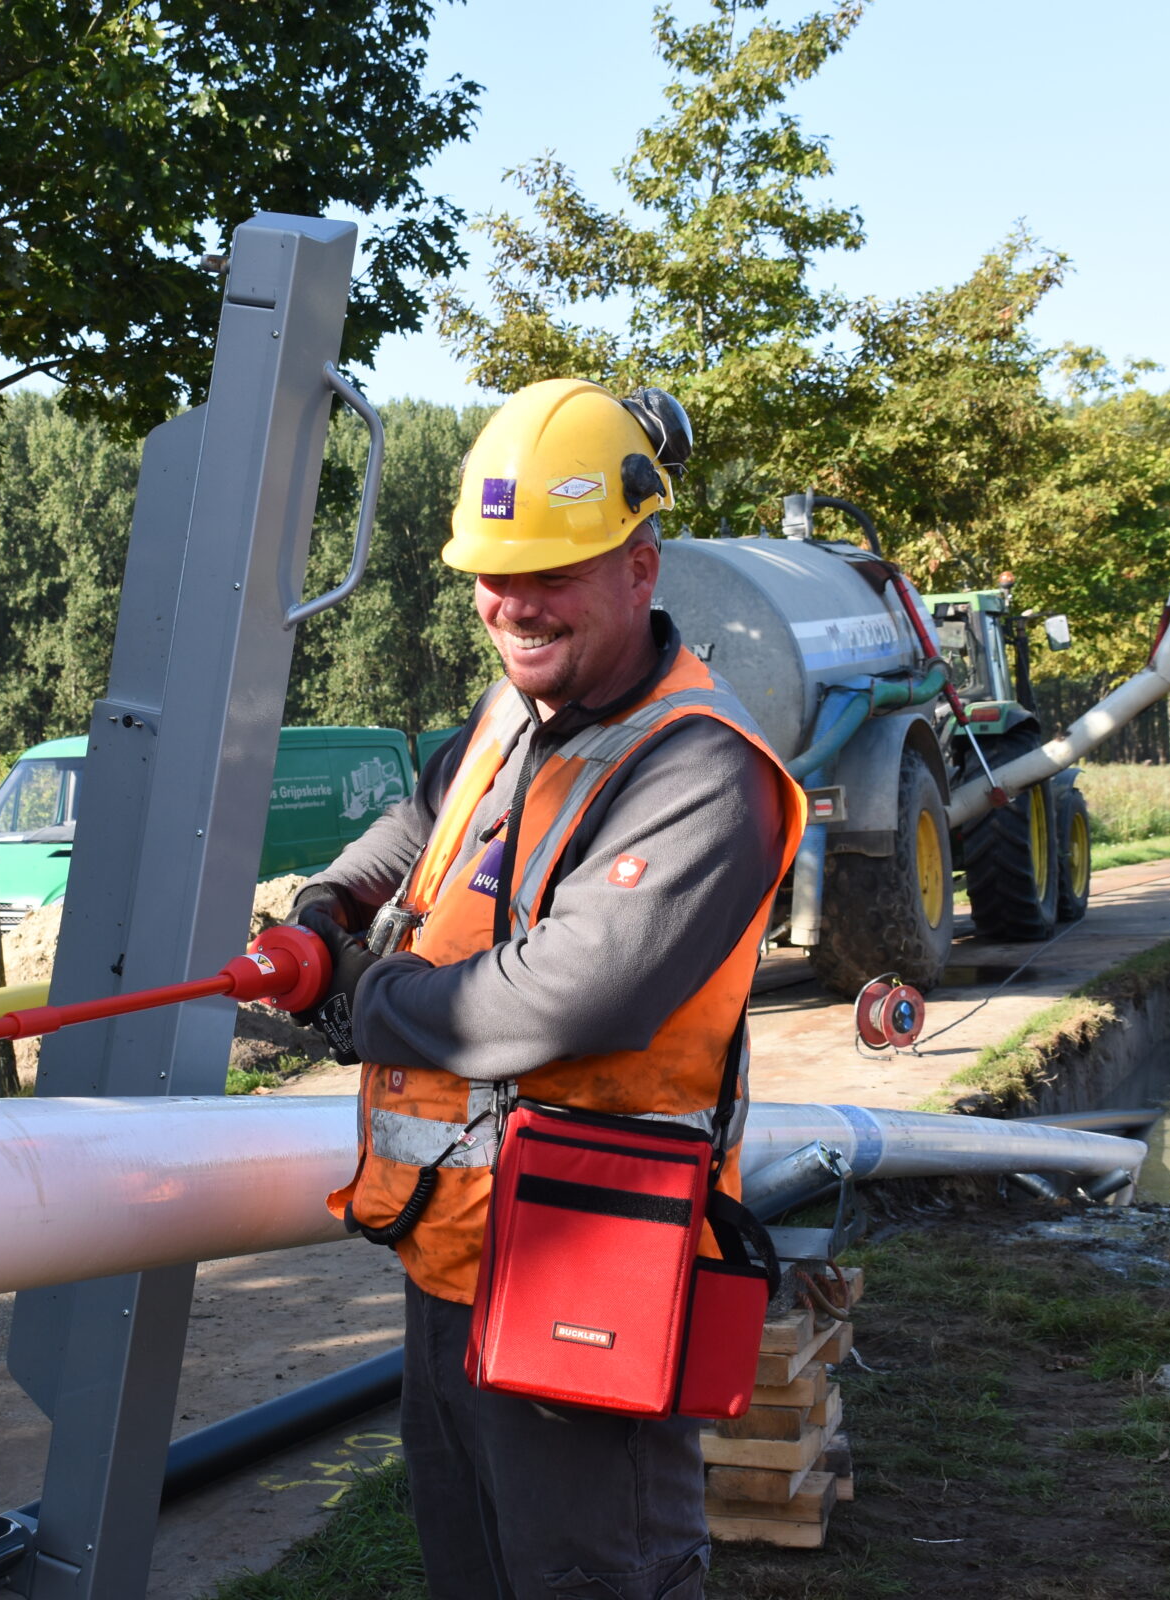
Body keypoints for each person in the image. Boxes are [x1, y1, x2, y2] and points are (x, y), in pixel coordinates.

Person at [289, 378, 804, 1600]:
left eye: (551, 575)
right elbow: (422, 823)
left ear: (641, 565)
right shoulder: (518, 709)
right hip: (455, 1255)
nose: (511, 606)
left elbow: (569, 997)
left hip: (593, 1257)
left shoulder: (702, 771)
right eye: (491, 575)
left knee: (594, 1579)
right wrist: (331, 902)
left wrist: (359, 997)